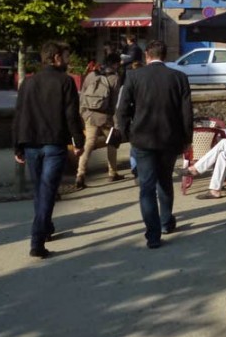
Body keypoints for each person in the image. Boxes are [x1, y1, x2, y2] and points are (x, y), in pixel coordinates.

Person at [114, 39, 193, 249]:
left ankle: (153, 234)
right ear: (164, 55)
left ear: (147, 56)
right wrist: (187, 139)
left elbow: (122, 110)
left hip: (142, 138)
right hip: (170, 139)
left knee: (146, 187)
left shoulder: (134, 76)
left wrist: (127, 133)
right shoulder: (179, 78)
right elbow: (186, 113)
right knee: (165, 181)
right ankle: (166, 222)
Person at [13, 41, 85, 259]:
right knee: (47, 191)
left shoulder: (27, 83)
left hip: (32, 143)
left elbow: (19, 115)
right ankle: (37, 240)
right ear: (55, 58)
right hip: (53, 142)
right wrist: (79, 141)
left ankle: (46, 228)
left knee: (41, 190)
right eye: (65, 56)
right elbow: (71, 115)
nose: (68, 60)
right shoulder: (66, 82)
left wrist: (17, 146)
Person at [76, 52, 123, 189]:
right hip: (105, 116)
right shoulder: (114, 78)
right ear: (115, 64)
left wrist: (84, 113)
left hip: (90, 115)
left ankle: (80, 174)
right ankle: (112, 172)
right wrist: (114, 119)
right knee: (112, 142)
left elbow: (83, 93)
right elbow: (114, 101)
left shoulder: (92, 74)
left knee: (89, 144)